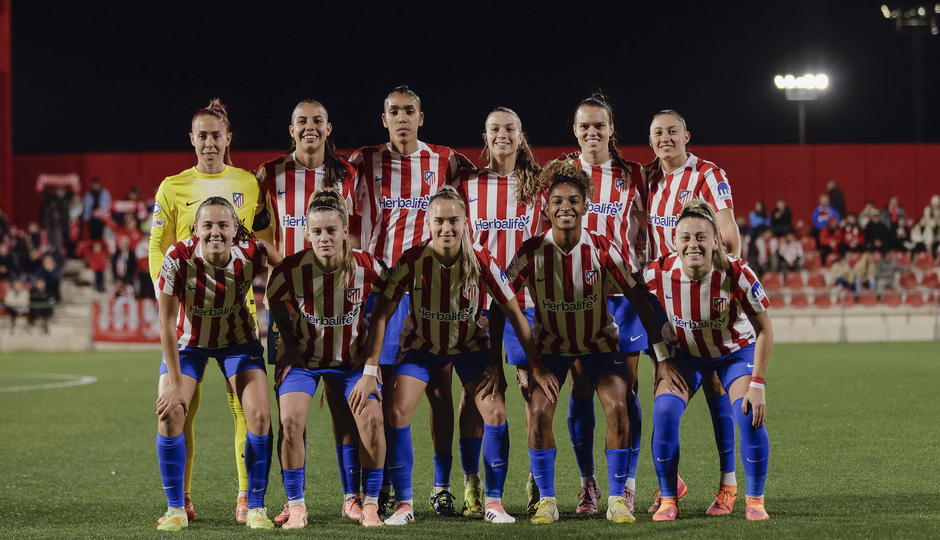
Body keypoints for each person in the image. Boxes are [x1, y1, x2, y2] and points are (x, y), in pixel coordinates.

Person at [351, 186, 538, 526]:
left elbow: (513, 311)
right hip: (422, 349)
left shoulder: (481, 259)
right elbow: (380, 315)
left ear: (466, 223)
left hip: (470, 348)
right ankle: (404, 505)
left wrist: (534, 364)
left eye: (454, 221)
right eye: (440, 221)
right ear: (428, 222)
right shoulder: (411, 260)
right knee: (395, 411)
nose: (447, 228)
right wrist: (369, 369)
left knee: (495, 414)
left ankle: (494, 502)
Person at [505, 161, 666, 525]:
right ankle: (547, 499)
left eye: (574, 200)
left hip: (599, 346)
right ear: (545, 209)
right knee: (537, 411)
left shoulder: (602, 248)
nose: (566, 207)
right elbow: (503, 302)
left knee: (619, 407)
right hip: (550, 351)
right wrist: (530, 364)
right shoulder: (530, 252)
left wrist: (662, 355)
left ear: (585, 205)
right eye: (558, 200)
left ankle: (616, 499)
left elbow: (639, 298)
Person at [149, 99, 273, 524]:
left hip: (239, 319)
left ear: (227, 139)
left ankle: (248, 500)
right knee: (177, 409)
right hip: (189, 324)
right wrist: (166, 287)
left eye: (215, 135)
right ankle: (178, 502)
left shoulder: (249, 185)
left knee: (250, 411)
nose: (208, 142)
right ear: (192, 139)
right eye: (201, 135)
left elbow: (269, 246)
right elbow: (156, 245)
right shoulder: (171, 187)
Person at [351, 85, 472, 516]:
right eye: (393, 112)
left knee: (440, 393)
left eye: (409, 111)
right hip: (382, 293)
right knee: (381, 396)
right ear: (384, 119)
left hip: (430, 293)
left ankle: (441, 486)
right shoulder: (363, 161)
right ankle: (383, 485)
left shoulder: (446, 159)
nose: (401, 118)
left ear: (421, 117)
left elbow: (479, 190)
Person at [255, 100, 364, 523]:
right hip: (289, 304)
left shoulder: (349, 174)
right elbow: (261, 236)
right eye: (302, 122)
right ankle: (293, 498)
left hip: (340, 304)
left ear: (328, 127)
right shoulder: (270, 175)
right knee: (290, 409)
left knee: (342, 403)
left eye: (317, 121)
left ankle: (351, 495)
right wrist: (291, 271)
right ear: (291, 129)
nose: (310, 128)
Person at [154, 197, 282, 530]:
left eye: (223, 225)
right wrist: (175, 383)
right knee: (170, 413)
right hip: (188, 345)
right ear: (195, 229)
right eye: (207, 225)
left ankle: (255, 507)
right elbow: (167, 324)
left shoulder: (250, 253)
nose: (215, 232)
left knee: (260, 416)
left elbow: (283, 268)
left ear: (235, 230)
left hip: (238, 342)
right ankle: (175, 508)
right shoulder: (177, 259)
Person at [643, 199, 772, 522]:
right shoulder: (658, 272)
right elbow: (636, 306)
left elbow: (765, 331)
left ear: (716, 241)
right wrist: (660, 357)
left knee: (748, 413)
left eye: (701, 237)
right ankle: (669, 498)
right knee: (664, 412)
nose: (693, 244)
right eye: (685, 237)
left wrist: (758, 384)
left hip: (733, 354)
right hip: (686, 356)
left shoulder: (737, 273)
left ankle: (755, 500)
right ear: (675, 241)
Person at [266, 189, 386, 528]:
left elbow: (390, 301)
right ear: (307, 233)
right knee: (290, 422)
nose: (324, 238)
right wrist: (288, 344)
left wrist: (371, 365)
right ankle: (297, 505)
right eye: (316, 231)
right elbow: (273, 302)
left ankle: (370, 503)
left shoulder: (367, 266)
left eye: (331, 230)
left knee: (373, 421)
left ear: (345, 230)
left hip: (351, 364)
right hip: (304, 362)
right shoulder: (290, 269)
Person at [645, 109, 743, 515]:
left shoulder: (708, 174)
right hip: (663, 301)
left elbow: (729, 234)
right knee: (663, 385)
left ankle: (728, 484)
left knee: (718, 392)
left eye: (672, 131)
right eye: (657, 133)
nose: (665, 138)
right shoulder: (651, 179)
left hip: (702, 297)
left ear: (687, 135)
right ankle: (672, 483)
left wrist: (717, 283)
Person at [454, 106, 545, 516]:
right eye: (495, 129)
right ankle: (472, 483)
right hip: (477, 308)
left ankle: (535, 479)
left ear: (520, 135)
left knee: (531, 388)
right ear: (486, 135)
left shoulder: (538, 186)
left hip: (524, 306)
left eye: (510, 128)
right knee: (478, 393)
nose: (503, 135)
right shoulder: (467, 183)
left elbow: (543, 247)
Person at [565, 94, 649, 514]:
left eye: (600, 125)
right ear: (575, 130)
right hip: (577, 299)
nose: (592, 132)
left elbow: (653, 224)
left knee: (626, 392)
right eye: (585, 126)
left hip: (624, 297)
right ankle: (588, 484)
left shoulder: (633, 173)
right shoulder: (561, 174)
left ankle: (627, 483)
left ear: (611, 129)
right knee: (581, 388)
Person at [83, 177, 112, 241]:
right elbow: (86, 207)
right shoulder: (88, 194)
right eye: (94, 184)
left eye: (97, 184)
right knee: (93, 237)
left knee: (102, 236)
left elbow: (109, 205)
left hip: (102, 219)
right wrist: (86, 218)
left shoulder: (105, 193)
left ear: (100, 184)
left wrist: (106, 216)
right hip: (92, 219)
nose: (95, 186)